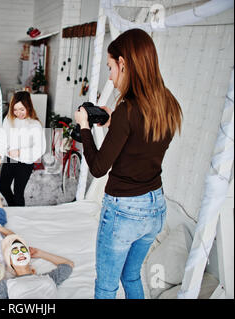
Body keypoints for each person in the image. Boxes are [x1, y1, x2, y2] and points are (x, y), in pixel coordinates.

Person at [74, 28, 183, 299]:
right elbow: (142, 140)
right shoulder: (167, 103)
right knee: (131, 275)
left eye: (111, 67)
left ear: (124, 64)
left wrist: (85, 128)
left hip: (125, 212)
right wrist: (114, 122)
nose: (110, 76)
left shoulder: (127, 110)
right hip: (155, 207)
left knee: (106, 286)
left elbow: (98, 168)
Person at [0, 91, 46, 206]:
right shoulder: (8, 120)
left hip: (25, 163)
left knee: (18, 193)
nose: (18, 113)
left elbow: (40, 148)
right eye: (15, 109)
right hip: (10, 160)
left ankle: (20, 216)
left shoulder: (35, 125)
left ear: (28, 107)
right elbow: (2, 140)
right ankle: (14, 208)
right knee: (4, 188)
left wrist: (20, 152)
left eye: (22, 109)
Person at [0, 234, 74, 299]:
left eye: (23, 250)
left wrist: (40, 253)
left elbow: (68, 265)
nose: (20, 253)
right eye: (15, 251)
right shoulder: (6, 284)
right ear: (9, 261)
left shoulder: (48, 277)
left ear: (29, 256)